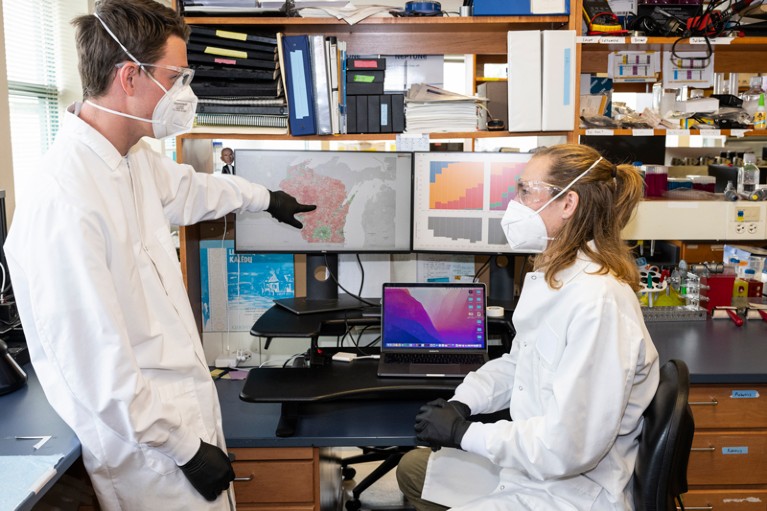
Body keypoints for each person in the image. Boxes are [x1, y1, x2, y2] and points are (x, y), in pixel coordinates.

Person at [3, 1, 315, 509]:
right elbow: (96, 368)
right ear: (129, 76)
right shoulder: (63, 198)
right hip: (148, 452)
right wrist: (186, 449)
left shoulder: (129, 160)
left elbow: (192, 190)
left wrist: (266, 198)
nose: (185, 93)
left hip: (181, 417)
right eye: (177, 77)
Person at [396, 144, 659, 511]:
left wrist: (464, 434)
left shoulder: (599, 303)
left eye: (524, 191)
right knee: (414, 471)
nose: (513, 203)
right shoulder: (557, 277)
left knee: (434, 473)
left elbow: (567, 446)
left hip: (572, 489)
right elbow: (519, 365)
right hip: (535, 469)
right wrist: (463, 402)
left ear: (568, 204)